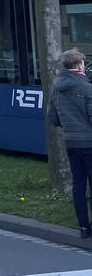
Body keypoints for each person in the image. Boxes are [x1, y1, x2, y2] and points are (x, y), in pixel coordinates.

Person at [47, 48, 92, 239]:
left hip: (71, 141)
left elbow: (53, 116)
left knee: (78, 184)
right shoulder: (86, 88)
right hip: (89, 142)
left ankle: (83, 227)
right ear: (80, 65)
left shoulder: (56, 87)